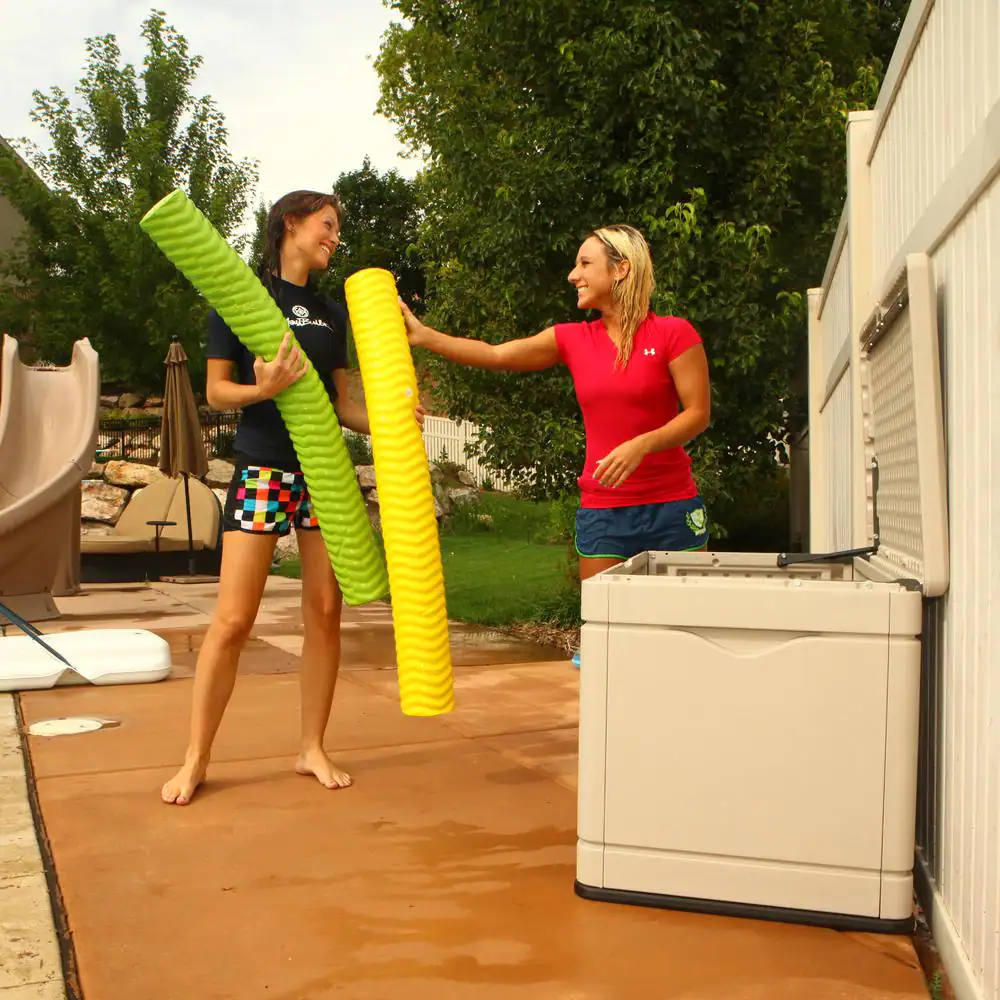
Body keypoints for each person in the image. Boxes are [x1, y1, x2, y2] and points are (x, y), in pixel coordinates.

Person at [162, 190, 423, 806]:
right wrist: (265, 389)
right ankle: (196, 757)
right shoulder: (242, 299)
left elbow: (341, 405)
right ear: (291, 224)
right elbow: (218, 393)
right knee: (233, 620)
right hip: (263, 470)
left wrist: (391, 421)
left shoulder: (331, 314)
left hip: (323, 475)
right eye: (327, 224)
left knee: (326, 612)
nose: (335, 236)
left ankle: (312, 747)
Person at [399, 224, 711, 582]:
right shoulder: (572, 339)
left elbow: (698, 414)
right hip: (604, 510)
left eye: (585, 263)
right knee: (604, 616)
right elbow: (496, 354)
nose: (572, 275)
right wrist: (425, 336)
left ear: (621, 269)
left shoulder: (673, 333)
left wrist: (642, 445)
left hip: (671, 505)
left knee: (683, 615)